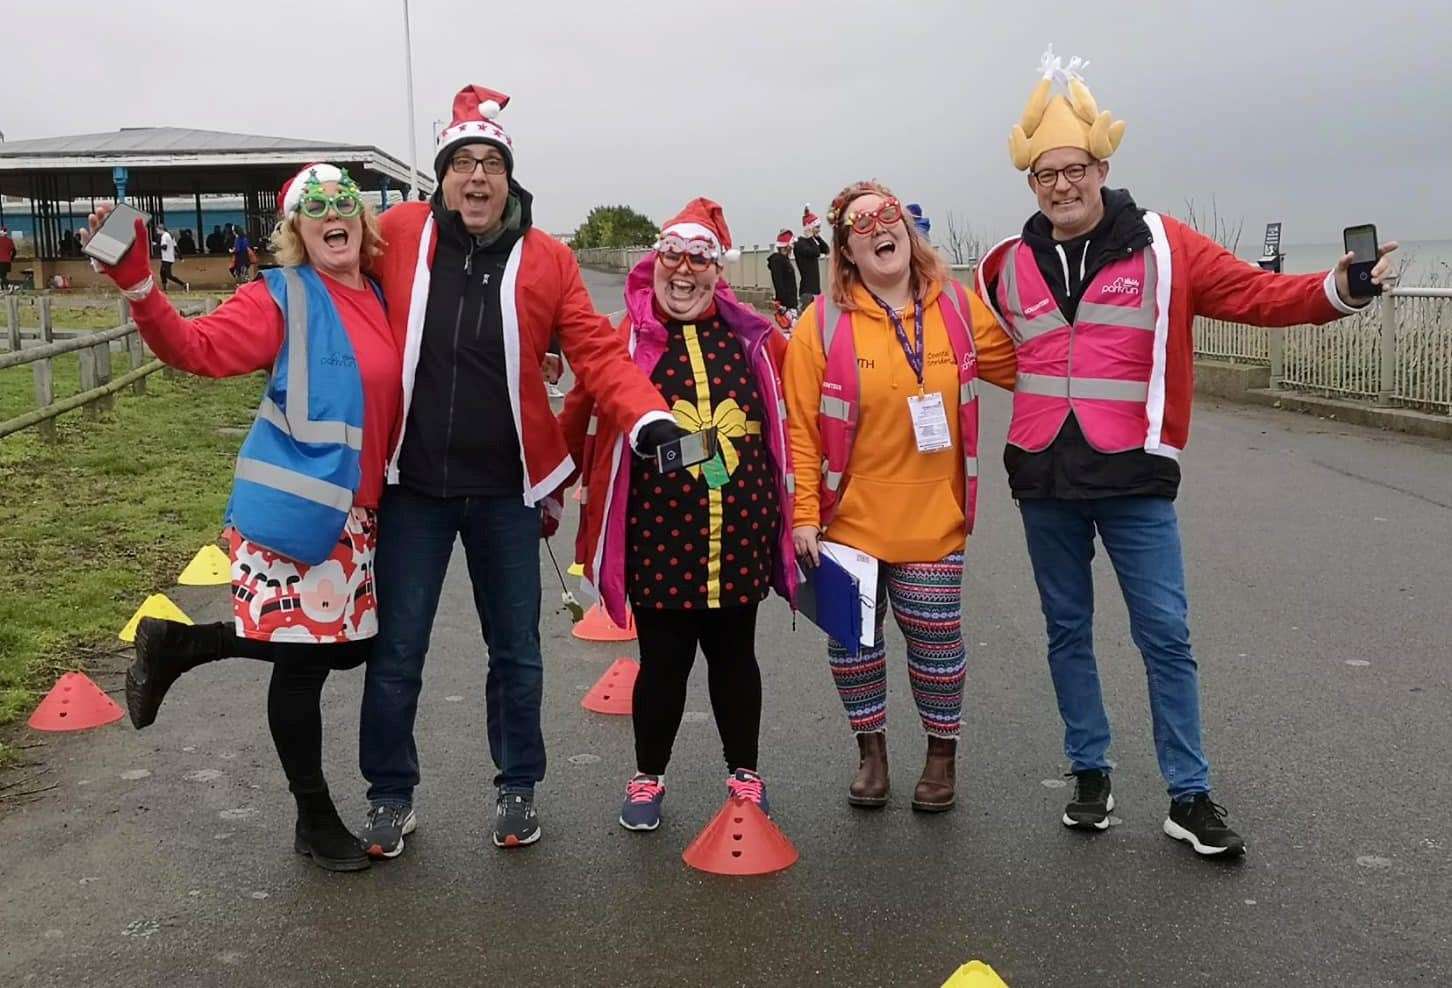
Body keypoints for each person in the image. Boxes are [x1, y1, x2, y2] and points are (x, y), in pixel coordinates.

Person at [977, 47, 1399, 857]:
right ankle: (1090, 773)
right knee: (1066, 631)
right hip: (1043, 477)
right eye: (1044, 175)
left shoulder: (1167, 246)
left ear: (1102, 167)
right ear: (1029, 181)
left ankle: (1189, 793)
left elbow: (1258, 294)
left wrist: (1341, 288)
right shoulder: (1003, 263)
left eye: (1075, 169)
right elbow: (974, 347)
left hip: (1134, 476)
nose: (1061, 186)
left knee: (1164, 634)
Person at [360, 84, 683, 855]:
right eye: (462, 162)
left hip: (506, 489)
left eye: (491, 164)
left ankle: (518, 787)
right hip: (411, 489)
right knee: (398, 647)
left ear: (509, 177)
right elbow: (328, 259)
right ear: (440, 175)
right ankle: (389, 795)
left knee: (515, 649)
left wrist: (648, 415)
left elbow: (597, 354)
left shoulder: (548, 258)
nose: (476, 177)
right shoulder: (401, 233)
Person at [82, 163, 402, 873]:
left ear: (362, 216)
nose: (330, 213)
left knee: (347, 648)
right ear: (296, 230)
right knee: (303, 662)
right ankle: (315, 820)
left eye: (341, 199)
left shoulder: (379, 293)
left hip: (358, 515)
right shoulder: (279, 296)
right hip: (298, 513)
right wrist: (140, 286)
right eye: (312, 207)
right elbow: (193, 349)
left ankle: (183, 647)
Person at [561, 198, 797, 833]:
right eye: (673, 255)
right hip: (658, 536)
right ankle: (648, 776)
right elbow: (576, 415)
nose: (684, 271)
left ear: (719, 271)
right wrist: (548, 483)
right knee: (663, 664)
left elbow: (798, 415)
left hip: (739, 533)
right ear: (655, 261)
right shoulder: (622, 338)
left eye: (700, 259)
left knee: (735, 660)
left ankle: (745, 775)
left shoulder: (756, 340)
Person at [783, 181, 1017, 812]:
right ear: (845, 253)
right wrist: (803, 516)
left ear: (909, 234)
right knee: (854, 644)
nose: (876, 230)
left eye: (886, 217)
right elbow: (800, 428)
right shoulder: (820, 323)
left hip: (932, 513)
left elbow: (1032, 365)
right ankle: (872, 753)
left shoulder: (958, 309)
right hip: (846, 519)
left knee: (936, 639)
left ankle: (942, 757)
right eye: (859, 226)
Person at [794, 205, 831, 304]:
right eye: (817, 227)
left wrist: (817, 237)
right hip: (807, 291)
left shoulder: (811, 242)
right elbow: (816, 252)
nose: (819, 230)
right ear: (809, 227)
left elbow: (826, 249)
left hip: (815, 290)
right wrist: (811, 237)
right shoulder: (800, 244)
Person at [768, 228, 799, 313]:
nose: (792, 248)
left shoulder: (785, 259)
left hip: (791, 303)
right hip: (786, 305)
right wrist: (783, 305)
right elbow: (778, 283)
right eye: (791, 245)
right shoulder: (777, 261)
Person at [157, 223, 187, 291]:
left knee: (168, 275)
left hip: (166, 258)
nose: (157, 232)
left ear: (160, 229)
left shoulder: (164, 236)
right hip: (170, 258)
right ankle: (165, 289)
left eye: (157, 230)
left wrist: (156, 245)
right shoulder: (171, 235)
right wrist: (180, 257)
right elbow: (176, 247)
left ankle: (183, 284)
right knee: (162, 273)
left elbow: (164, 247)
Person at [0, 227, 15, 291]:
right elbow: (14, 251)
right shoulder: (10, 241)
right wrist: (11, 258)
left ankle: (9, 285)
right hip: (7, 261)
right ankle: (3, 288)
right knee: (3, 275)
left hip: (0, 260)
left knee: (1, 276)